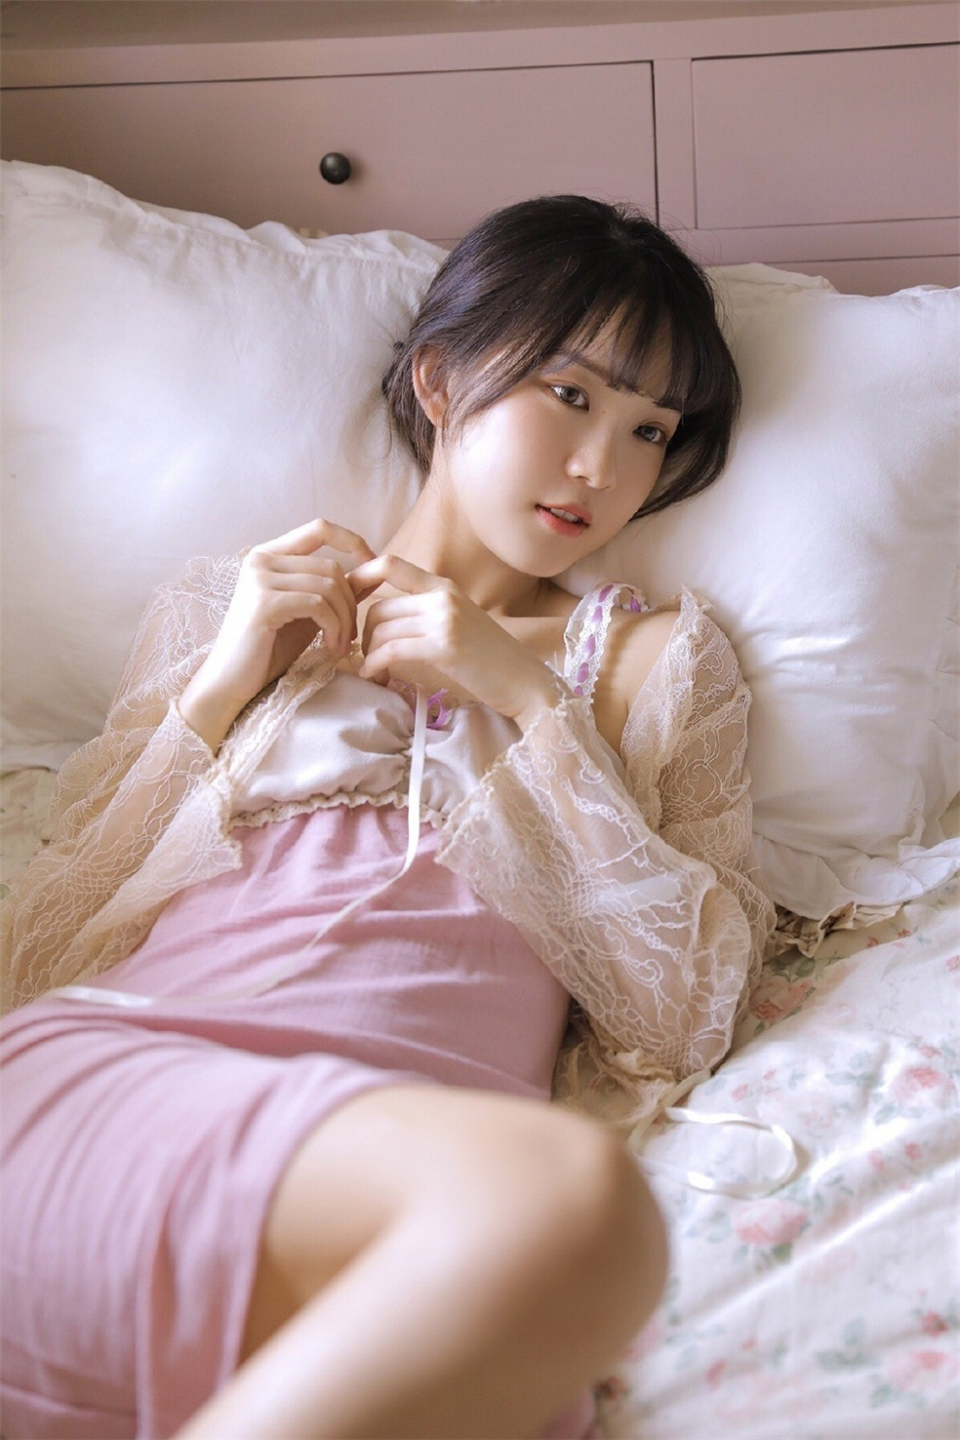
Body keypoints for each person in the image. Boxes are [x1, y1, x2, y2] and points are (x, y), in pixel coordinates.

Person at [0, 195, 775, 1440]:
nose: (604, 468)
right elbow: (45, 945)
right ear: (441, 378)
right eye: (569, 395)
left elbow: (683, 1012)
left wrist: (530, 704)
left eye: (648, 429)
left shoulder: (653, 662)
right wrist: (221, 688)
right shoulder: (232, 608)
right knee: (564, 1213)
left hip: (409, 1183)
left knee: (558, 1232)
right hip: (106, 1100)